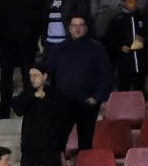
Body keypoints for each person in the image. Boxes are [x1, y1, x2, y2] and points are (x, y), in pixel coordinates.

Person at [44, 15, 111, 150]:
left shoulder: (97, 48)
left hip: (87, 104)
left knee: (86, 144)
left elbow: (106, 75)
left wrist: (96, 98)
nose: (77, 29)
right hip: (63, 104)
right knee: (58, 142)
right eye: (74, 25)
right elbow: (47, 75)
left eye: (81, 25)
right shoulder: (58, 49)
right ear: (69, 28)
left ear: (86, 28)